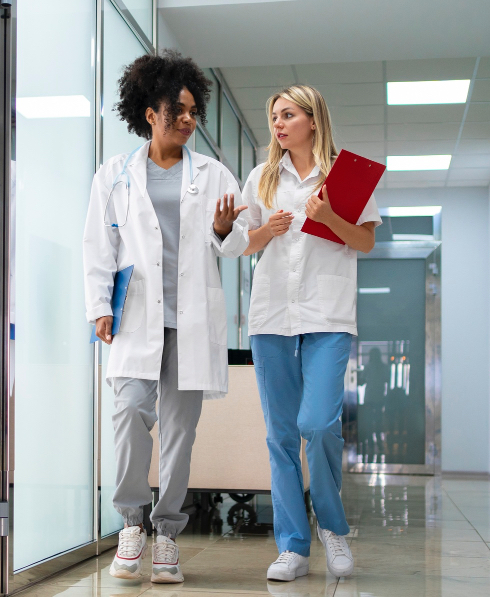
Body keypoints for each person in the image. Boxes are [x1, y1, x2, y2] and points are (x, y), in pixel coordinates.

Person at [83, 50, 249, 584]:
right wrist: (98, 306)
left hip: (191, 320)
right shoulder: (114, 174)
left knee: (180, 433)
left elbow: (236, 242)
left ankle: (168, 536)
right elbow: (98, 246)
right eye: (178, 109)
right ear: (150, 112)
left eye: (193, 109)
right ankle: (132, 524)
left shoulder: (214, 172)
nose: (188, 118)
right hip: (136, 318)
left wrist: (225, 230)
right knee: (129, 414)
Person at [240, 85, 380, 581]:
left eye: (288, 115)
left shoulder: (346, 174)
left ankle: (333, 529)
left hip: (327, 315)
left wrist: (330, 217)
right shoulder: (261, 178)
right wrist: (266, 232)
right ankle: (293, 547)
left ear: (313, 120)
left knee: (319, 424)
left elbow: (364, 240)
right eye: (273, 115)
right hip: (272, 315)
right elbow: (242, 244)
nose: (278, 124)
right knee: (280, 435)